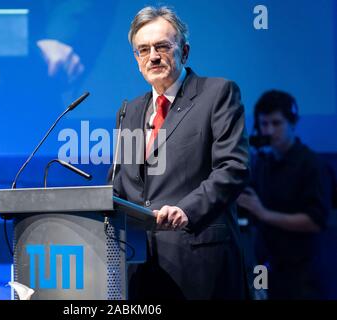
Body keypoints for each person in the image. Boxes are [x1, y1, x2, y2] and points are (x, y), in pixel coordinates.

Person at [109, 6, 250, 299]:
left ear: (184, 51)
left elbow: (233, 168)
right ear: (136, 59)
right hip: (141, 266)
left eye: (162, 46)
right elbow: (125, 183)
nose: (153, 56)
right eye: (143, 50)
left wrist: (187, 209)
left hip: (199, 261)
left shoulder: (217, 93)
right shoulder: (130, 110)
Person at [237, 90, 330, 299]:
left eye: (276, 123)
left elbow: (315, 221)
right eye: (264, 124)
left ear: (292, 122)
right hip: (264, 264)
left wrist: (264, 214)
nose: (269, 130)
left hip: (301, 272)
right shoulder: (262, 163)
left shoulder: (312, 165)